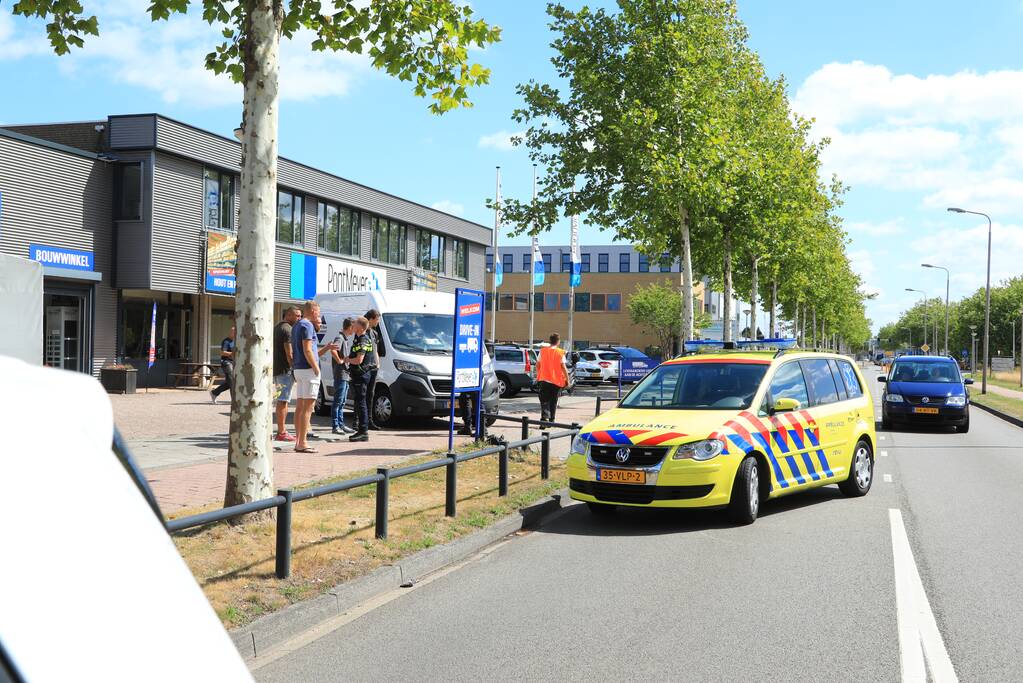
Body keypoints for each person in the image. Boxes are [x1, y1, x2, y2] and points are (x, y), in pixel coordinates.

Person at [291, 300, 336, 453]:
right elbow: (308, 350)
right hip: (308, 370)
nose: (319, 315)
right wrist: (316, 368)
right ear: (312, 311)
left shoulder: (297, 325)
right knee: (307, 408)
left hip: (299, 369)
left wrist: (327, 348)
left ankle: (298, 440)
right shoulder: (307, 325)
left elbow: (312, 350)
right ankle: (302, 442)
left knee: (300, 407)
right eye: (318, 311)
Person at [273, 306, 302, 441]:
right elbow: (289, 353)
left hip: (278, 370)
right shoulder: (288, 330)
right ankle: (281, 432)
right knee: (283, 401)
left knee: (280, 400)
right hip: (285, 371)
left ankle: (281, 430)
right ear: (289, 315)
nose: (299, 318)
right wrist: (294, 368)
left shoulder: (278, 327)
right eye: (297, 315)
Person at [347, 316, 376, 442]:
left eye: (355, 323)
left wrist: (346, 360)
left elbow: (359, 360)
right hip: (358, 375)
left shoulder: (363, 340)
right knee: (359, 403)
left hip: (361, 375)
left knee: (361, 403)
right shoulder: (358, 339)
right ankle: (361, 430)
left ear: (360, 327)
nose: (353, 325)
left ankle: (363, 431)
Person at [330, 318, 357, 435]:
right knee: (338, 401)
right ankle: (335, 426)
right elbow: (333, 350)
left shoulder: (344, 339)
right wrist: (340, 361)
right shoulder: (340, 338)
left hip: (345, 375)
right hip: (340, 374)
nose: (354, 330)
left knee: (342, 401)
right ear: (350, 327)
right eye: (354, 327)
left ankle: (341, 424)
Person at [536, 333, 569, 422]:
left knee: (544, 401)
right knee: (553, 401)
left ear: (550, 341)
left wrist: (539, 375)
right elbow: (563, 368)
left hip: (544, 380)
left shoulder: (542, 351)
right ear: (558, 342)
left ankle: (544, 419)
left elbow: (537, 365)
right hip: (556, 382)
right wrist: (568, 380)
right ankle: (552, 420)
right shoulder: (560, 352)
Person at [364, 309, 382, 430]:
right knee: (361, 395)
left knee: (370, 394)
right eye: (377, 319)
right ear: (371, 319)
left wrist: (378, 363)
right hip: (365, 367)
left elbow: (376, 350)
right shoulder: (362, 332)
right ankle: (358, 421)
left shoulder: (374, 333)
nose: (378, 322)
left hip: (374, 367)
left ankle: (369, 421)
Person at [209, 326, 236, 404]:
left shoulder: (235, 341)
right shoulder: (226, 341)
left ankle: (214, 393)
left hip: (233, 363)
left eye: (235, 332)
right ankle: (234, 400)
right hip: (226, 362)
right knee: (231, 381)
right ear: (230, 332)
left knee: (229, 382)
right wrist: (233, 353)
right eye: (233, 332)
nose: (234, 333)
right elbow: (222, 352)